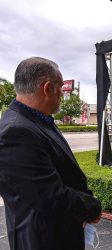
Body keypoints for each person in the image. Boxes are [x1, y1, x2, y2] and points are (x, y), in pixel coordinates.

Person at [0, 57, 102, 250]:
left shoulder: (34, 121)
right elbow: (50, 197)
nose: (63, 93)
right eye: (61, 87)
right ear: (47, 88)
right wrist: (91, 208)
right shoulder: (16, 131)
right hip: (44, 240)